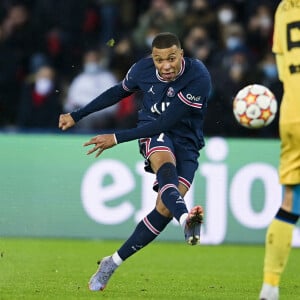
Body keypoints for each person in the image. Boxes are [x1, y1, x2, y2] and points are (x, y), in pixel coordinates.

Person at [58, 32, 211, 291]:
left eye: (171, 59)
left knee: (164, 208)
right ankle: (186, 220)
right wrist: (77, 114)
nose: (165, 66)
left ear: (181, 55)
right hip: (152, 131)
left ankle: (112, 262)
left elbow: (169, 121)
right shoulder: (142, 69)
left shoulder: (198, 76)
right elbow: (118, 92)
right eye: (159, 60)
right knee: (165, 166)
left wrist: (116, 138)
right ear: (152, 58)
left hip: (186, 142)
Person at [259, 2, 300, 300]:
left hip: (293, 110)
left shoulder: (284, 7)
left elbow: (283, 64)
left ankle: (270, 287)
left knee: (291, 200)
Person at [64, 48, 118, 131]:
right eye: (89, 60)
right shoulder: (79, 79)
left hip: (102, 116)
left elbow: (114, 104)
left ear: (99, 60)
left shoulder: (108, 78)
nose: (92, 62)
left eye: (94, 59)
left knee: (88, 120)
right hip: (82, 115)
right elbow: (69, 103)